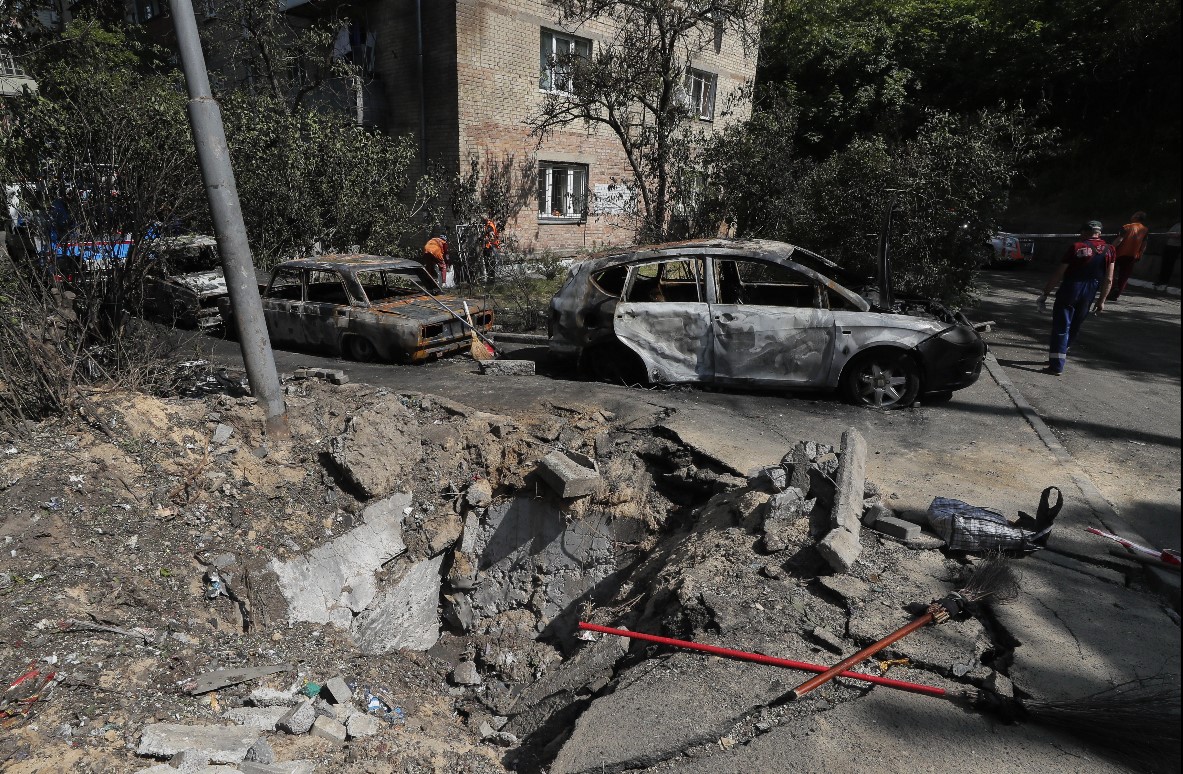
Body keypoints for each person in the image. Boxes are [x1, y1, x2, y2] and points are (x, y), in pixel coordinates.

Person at [1037, 220, 1115, 375]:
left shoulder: (1077, 247)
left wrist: (1046, 292)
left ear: (1085, 232)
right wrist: (1102, 300)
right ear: (1099, 233)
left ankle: (1056, 365)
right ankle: (1058, 357)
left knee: (1061, 326)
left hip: (1071, 287)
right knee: (1075, 325)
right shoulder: (1110, 250)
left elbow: (1059, 273)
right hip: (1090, 291)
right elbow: (1109, 278)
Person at [1108, 211, 1148, 301]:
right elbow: (1144, 244)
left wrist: (1110, 248)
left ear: (1136, 217)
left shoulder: (1127, 227)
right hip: (1132, 255)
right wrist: (1140, 254)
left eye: (1134, 214)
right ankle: (1117, 294)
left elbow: (1119, 240)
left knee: (1112, 271)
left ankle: (1113, 288)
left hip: (1120, 253)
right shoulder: (1145, 230)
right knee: (1124, 275)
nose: (1132, 215)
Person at [1156, 221, 1180, 291]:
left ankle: (1165, 281)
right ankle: (1160, 280)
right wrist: (1173, 234)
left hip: (1176, 247)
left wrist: (1172, 234)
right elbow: (1168, 233)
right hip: (1168, 245)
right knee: (1164, 263)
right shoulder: (1177, 224)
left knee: (1170, 264)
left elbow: (1178, 236)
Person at [480, 215, 501, 280]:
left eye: (482, 219)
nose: (481, 221)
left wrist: (486, 239)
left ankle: (491, 279)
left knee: (490, 263)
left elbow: (492, 236)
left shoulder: (489, 225)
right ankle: (491, 277)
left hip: (490, 247)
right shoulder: (488, 224)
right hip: (490, 247)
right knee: (489, 263)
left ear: (485, 218)